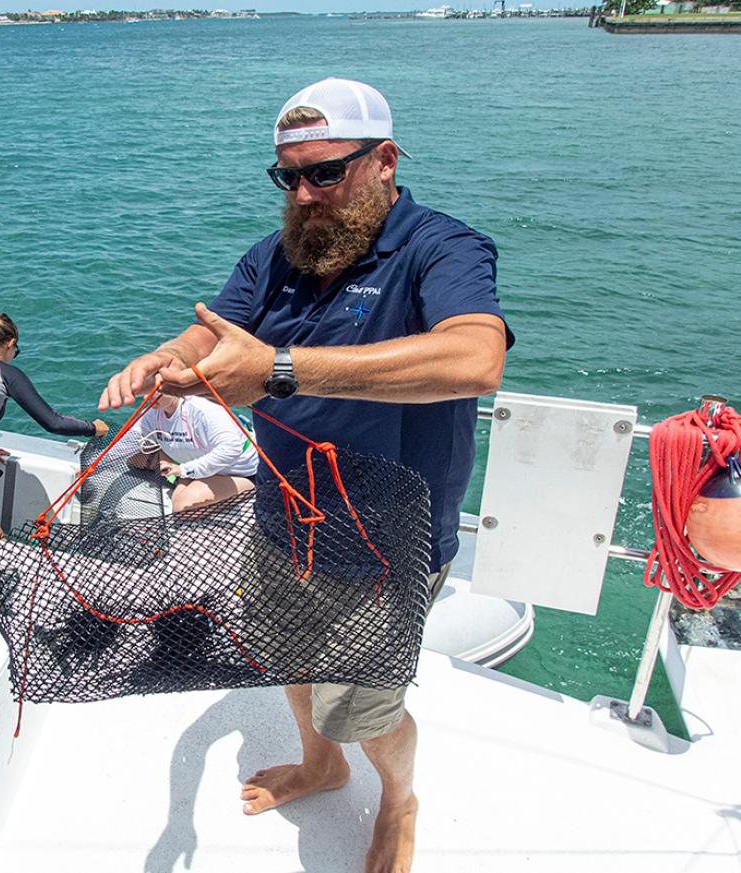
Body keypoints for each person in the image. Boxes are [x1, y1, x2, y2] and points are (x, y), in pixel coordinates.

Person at [98, 77, 513, 873]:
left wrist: (281, 368)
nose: (305, 193)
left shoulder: (440, 247)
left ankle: (399, 799)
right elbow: (212, 333)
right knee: (289, 656)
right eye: (288, 176)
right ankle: (322, 766)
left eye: (326, 172)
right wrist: (166, 359)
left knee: (363, 706)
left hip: (386, 535)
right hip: (283, 515)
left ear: (385, 161)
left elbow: (476, 357)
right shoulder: (275, 257)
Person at [0, 312, 108, 472]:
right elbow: (53, 422)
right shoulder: (4, 373)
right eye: (16, 351)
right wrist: (92, 428)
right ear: (11, 343)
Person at [123, 393, 259, 512]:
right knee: (134, 460)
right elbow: (125, 445)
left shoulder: (202, 408)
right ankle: (190, 478)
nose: (147, 397)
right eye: (144, 390)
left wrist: (184, 470)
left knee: (182, 506)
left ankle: (254, 486)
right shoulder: (153, 413)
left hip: (236, 471)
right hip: (193, 463)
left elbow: (231, 449)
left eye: (155, 389)